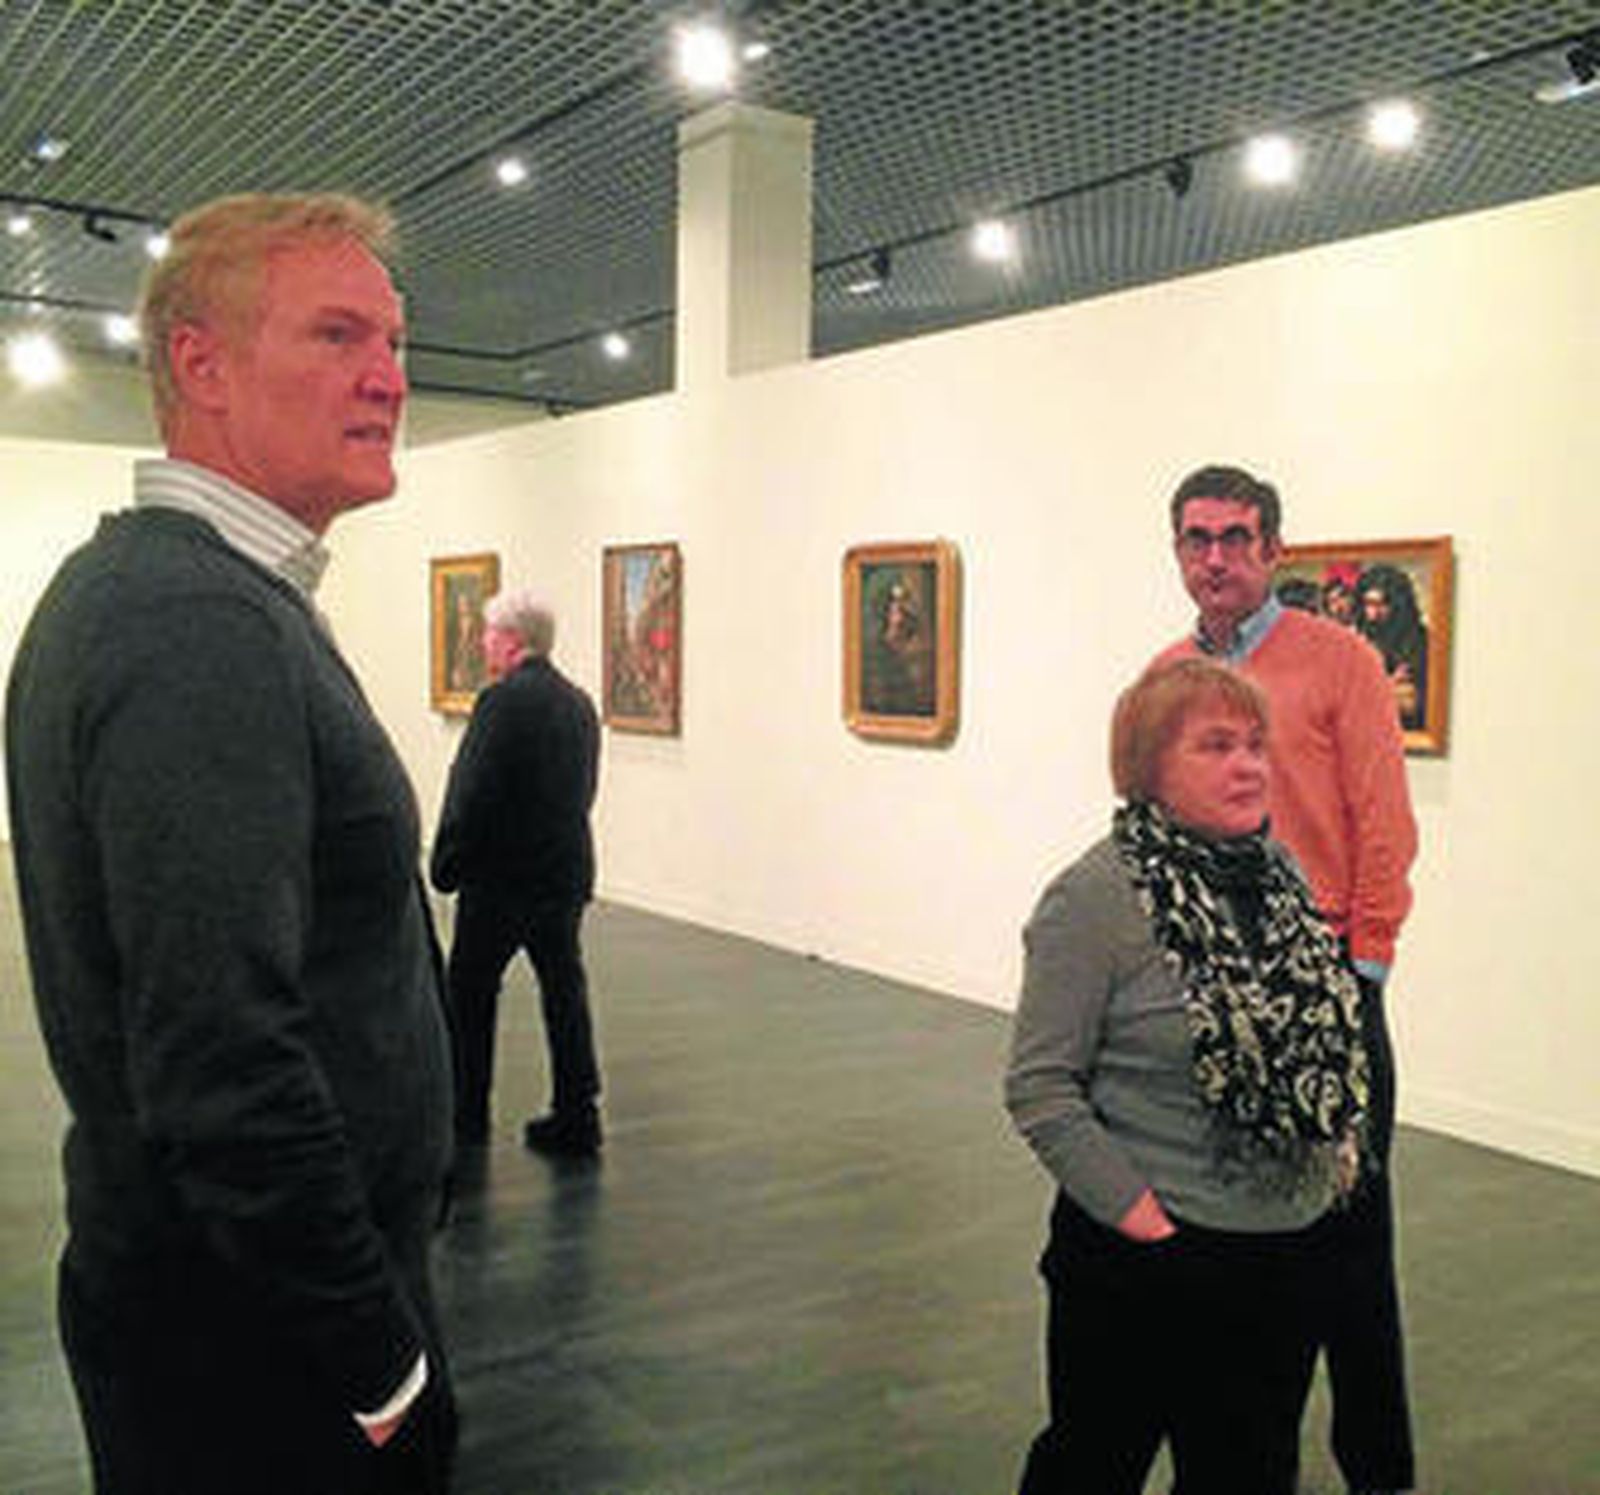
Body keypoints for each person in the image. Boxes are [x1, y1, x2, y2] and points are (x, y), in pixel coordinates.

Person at [4, 194, 456, 1493]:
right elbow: (221, 1056)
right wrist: (381, 1363)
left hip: (219, 1312)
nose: (388, 376)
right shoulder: (193, 624)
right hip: (260, 1351)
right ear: (199, 364)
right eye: (337, 334)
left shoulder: (180, 596)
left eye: (396, 340)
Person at [1007, 658, 1369, 1495]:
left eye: (1254, 745)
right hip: (1148, 1265)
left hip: (1283, 1253)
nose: (1249, 765)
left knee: (1247, 1472)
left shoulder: (1277, 876)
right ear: (1149, 766)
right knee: (1093, 1462)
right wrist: (1148, 1225)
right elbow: (1041, 1085)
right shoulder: (1094, 897)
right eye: (1216, 745)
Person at [1155, 463, 1419, 1495]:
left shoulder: (1339, 660)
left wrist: (1362, 966)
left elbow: (1380, 819)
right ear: (1176, 551)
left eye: (1234, 536)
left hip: (1326, 994)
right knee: (1233, 1240)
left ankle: (1377, 1471)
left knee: (1352, 1243)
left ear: (1270, 551)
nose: (1213, 556)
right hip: (1214, 994)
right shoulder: (1170, 673)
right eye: (1194, 537)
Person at [430, 590, 604, 1158]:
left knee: (470, 993)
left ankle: (466, 1113)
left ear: (511, 640)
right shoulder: (579, 704)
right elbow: (584, 792)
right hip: (562, 874)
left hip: (502, 881)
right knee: (563, 991)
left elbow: (472, 788)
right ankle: (578, 1113)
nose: (482, 643)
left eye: (487, 633)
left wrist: (447, 858)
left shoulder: (500, 704)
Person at [1355, 564, 1429, 732]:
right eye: (1368, 604)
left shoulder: (1418, 641)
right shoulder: (1361, 638)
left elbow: (1410, 703)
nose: (1372, 614)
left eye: (1380, 605)